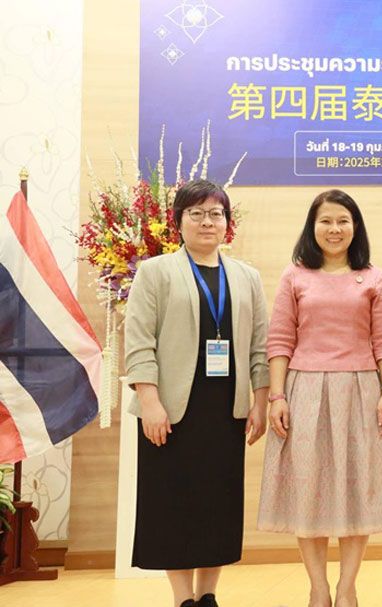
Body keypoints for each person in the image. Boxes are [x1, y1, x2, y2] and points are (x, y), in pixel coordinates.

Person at [124, 179, 269, 607]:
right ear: (179, 221)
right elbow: (139, 343)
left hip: (226, 411)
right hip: (170, 410)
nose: (208, 222)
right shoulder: (155, 271)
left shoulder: (246, 277)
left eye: (216, 214)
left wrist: (259, 400)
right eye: (197, 213)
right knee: (174, 502)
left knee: (218, 503)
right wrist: (149, 401)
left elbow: (260, 345)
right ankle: (182, 598)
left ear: (228, 223)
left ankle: (208, 596)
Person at [257, 190, 382, 607]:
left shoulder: (373, 277)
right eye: (326, 221)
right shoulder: (295, 276)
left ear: (355, 227)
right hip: (305, 391)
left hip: (362, 390)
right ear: (313, 226)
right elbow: (280, 340)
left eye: (343, 220)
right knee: (309, 490)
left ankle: (347, 588)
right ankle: (319, 588)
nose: (335, 229)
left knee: (359, 489)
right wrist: (278, 396)